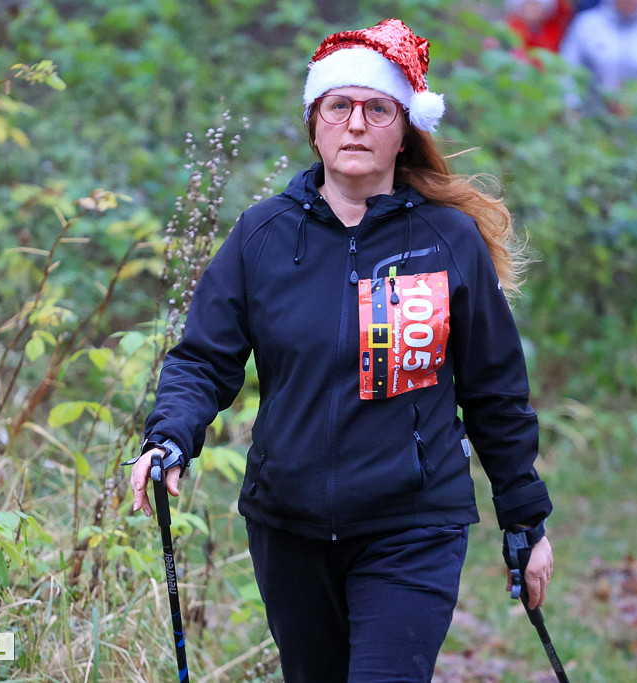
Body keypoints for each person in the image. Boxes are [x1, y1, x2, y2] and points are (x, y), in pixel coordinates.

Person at [128, 18, 555, 682]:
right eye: (339, 106)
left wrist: (525, 520)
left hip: (413, 524)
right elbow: (204, 357)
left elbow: (496, 390)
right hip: (289, 525)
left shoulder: (447, 241)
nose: (357, 123)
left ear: (404, 126)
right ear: (315, 121)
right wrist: (171, 435)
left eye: (377, 107)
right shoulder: (263, 235)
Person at [503, 0, 575, 60]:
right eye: (528, 5)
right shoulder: (510, 29)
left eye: (535, 6)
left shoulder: (553, 31)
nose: (531, 10)